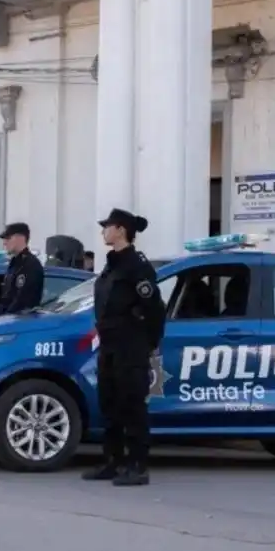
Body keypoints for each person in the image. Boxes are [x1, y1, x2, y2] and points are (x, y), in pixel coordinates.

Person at [83, 208, 165, 487]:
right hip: (109, 345)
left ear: (120, 230)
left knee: (133, 407)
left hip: (130, 346)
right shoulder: (112, 264)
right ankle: (113, 461)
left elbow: (154, 309)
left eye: (107, 226)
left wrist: (147, 344)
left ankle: (137, 466)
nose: (103, 231)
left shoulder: (137, 266)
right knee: (110, 405)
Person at [0, 222, 44, 316]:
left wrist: (3, 318)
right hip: (8, 321)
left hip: (20, 324)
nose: (4, 243)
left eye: (8, 238)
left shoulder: (31, 265)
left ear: (20, 238)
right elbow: (6, 298)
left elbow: (22, 302)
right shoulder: (14, 263)